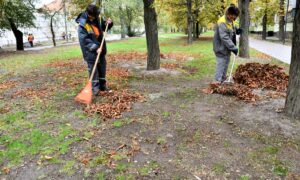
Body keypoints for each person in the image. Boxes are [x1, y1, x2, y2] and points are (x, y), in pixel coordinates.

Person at [76, 4, 113, 95]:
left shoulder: (97, 18)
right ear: (89, 14)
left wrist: (108, 23)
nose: (96, 17)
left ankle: (102, 87)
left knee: (102, 68)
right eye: (94, 16)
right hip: (90, 51)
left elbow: (104, 27)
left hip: (101, 49)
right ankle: (95, 90)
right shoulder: (83, 24)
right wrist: (95, 47)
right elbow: (84, 40)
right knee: (94, 70)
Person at [212, 4, 241, 85]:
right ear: (229, 14)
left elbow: (232, 27)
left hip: (227, 48)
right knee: (221, 64)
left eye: (235, 17)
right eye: (233, 17)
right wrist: (233, 48)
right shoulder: (222, 22)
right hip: (220, 47)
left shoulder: (230, 20)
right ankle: (217, 82)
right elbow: (224, 38)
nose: (234, 19)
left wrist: (237, 30)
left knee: (226, 62)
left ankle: (223, 79)